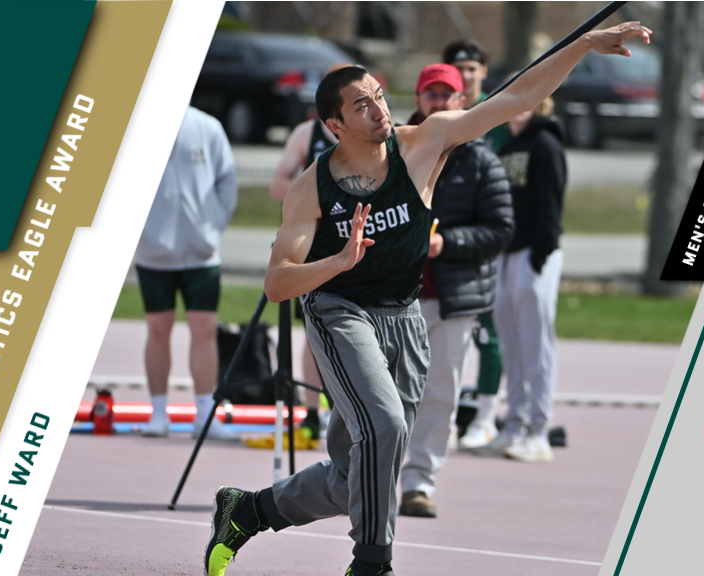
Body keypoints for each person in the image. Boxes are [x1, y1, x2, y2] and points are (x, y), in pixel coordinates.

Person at [203, 21, 651, 576]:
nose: (378, 108)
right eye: (361, 105)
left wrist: (582, 45)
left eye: (378, 95)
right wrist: (337, 262)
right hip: (340, 311)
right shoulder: (310, 188)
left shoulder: (424, 142)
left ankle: (247, 511)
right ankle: (371, 565)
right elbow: (278, 283)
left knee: (358, 475)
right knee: (386, 428)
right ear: (334, 125)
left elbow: (516, 97)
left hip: (404, 315)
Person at [397, 64, 513, 518]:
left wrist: (447, 243)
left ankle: (418, 482)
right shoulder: (394, 148)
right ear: (417, 99)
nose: (439, 102)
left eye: (448, 95)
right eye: (431, 94)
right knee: (384, 393)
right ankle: (367, 478)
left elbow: (500, 229)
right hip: (393, 295)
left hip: (452, 298)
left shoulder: (481, 159)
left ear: (463, 102)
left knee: (440, 395)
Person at [134, 105, 238, 441]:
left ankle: (205, 414)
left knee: (204, 329)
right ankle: (158, 412)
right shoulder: (136, 125)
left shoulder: (207, 126)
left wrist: (213, 226)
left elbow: (226, 180)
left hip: (201, 253)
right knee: (158, 328)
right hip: (153, 252)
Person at [477, 96, 567, 463]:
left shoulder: (546, 144)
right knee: (511, 344)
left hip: (534, 255)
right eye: (518, 96)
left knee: (535, 344)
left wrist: (539, 256)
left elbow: (551, 205)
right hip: (506, 255)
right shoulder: (508, 146)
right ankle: (513, 425)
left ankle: (538, 431)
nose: (523, 105)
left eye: (532, 96)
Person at [441, 39, 510, 450]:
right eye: (459, 68)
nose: (466, 76)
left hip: (484, 233)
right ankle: (442, 418)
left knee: (488, 327)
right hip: (446, 237)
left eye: (472, 68)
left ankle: (485, 415)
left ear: (483, 72)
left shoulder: (499, 114)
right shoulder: (440, 115)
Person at [269, 113, 340, 440]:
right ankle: (312, 412)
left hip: (355, 247)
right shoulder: (307, 133)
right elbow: (277, 185)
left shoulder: (372, 128)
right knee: (314, 332)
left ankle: (346, 411)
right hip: (314, 249)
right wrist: (321, 197)